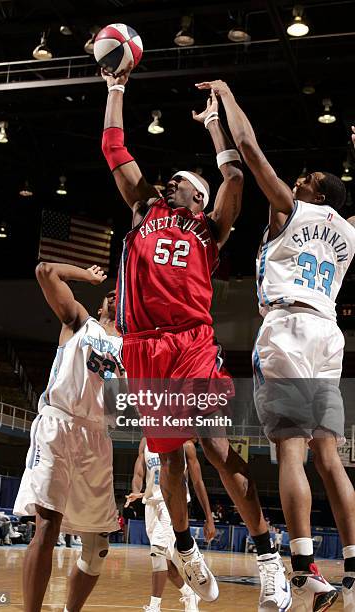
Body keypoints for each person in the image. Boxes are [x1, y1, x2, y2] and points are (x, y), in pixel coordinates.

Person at [101, 66, 290, 610]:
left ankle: (269, 557)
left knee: (213, 444)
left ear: (196, 195)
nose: (172, 182)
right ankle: (184, 549)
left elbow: (234, 180)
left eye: (183, 181)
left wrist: (214, 127)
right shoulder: (142, 210)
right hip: (143, 349)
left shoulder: (210, 228)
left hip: (191, 342)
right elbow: (113, 146)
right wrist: (115, 87)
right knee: (171, 461)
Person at [197, 78, 355, 611]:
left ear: (318, 196)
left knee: (291, 450)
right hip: (328, 334)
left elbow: (248, 150)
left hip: (288, 328)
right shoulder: (347, 231)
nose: (300, 179)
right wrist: (213, 125)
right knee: (328, 457)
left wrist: (227, 97)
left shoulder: (293, 206)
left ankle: (305, 569)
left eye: (309, 180)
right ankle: (353, 568)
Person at [13, 263, 125, 612]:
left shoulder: (134, 347)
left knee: (97, 548)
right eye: (107, 293)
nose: (113, 294)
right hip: (59, 424)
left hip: (97, 437)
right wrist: (86, 276)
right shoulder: (79, 321)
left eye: (120, 293)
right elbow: (45, 272)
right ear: (99, 307)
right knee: (47, 526)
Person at [126, 438, 214, 612]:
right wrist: (136, 492)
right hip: (151, 505)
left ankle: (154, 606)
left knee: (157, 553)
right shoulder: (145, 442)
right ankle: (189, 593)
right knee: (168, 563)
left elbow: (198, 482)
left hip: (173, 503)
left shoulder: (186, 446)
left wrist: (209, 517)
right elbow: (138, 474)